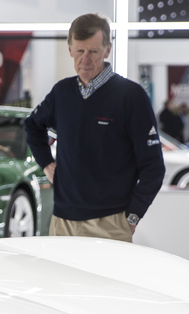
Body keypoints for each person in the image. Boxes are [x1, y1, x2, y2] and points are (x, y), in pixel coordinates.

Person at [24, 13, 165, 242]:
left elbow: (154, 168)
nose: (85, 60)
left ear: (108, 50)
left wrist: (133, 215)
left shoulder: (131, 96)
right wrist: (47, 164)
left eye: (94, 52)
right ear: (70, 50)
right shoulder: (62, 92)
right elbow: (32, 126)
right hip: (62, 220)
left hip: (110, 223)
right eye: (79, 51)